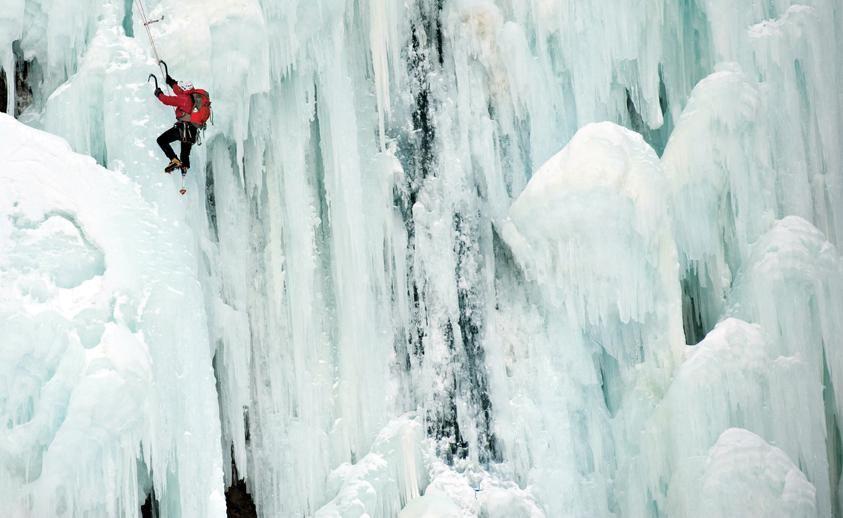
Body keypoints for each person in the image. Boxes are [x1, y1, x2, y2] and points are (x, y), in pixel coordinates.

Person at [154, 73, 208, 175]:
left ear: (184, 89)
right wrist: (172, 83)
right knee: (185, 154)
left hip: (182, 130)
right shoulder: (193, 95)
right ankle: (184, 167)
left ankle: (174, 159)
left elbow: (167, 100)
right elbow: (179, 91)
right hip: (192, 132)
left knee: (161, 140)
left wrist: (159, 94)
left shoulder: (184, 99)